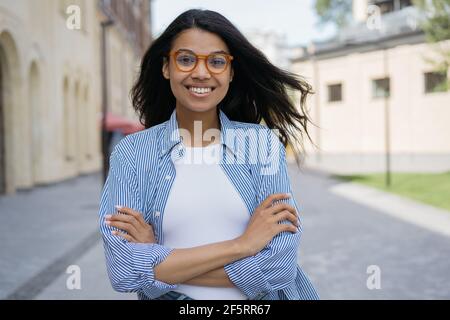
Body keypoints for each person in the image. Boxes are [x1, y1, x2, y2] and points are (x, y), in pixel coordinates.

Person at [98, 9, 319, 300]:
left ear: (230, 72)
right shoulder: (132, 154)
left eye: (216, 62)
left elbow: (278, 268)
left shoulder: (261, 145)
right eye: (186, 59)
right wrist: (243, 245)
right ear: (167, 67)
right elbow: (124, 270)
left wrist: (158, 261)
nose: (201, 73)